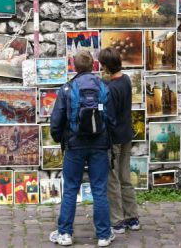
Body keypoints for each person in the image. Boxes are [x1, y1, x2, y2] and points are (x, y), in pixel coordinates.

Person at [49, 51, 115, 247]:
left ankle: (65, 234)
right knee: (99, 190)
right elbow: (111, 119)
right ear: (93, 65)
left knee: (70, 189)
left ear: (74, 66)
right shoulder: (103, 88)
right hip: (99, 145)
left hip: (75, 144)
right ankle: (103, 235)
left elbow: (57, 119)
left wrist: (58, 137)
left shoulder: (68, 89)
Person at [98, 48, 140, 234]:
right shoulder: (126, 80)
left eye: (102, 65)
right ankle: (132, 217)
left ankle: (117, 221)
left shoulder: (110, 88)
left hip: (114, 138)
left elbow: (110, 118)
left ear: (106, 66)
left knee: (112, 180)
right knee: (125, 177)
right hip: (127, 135)